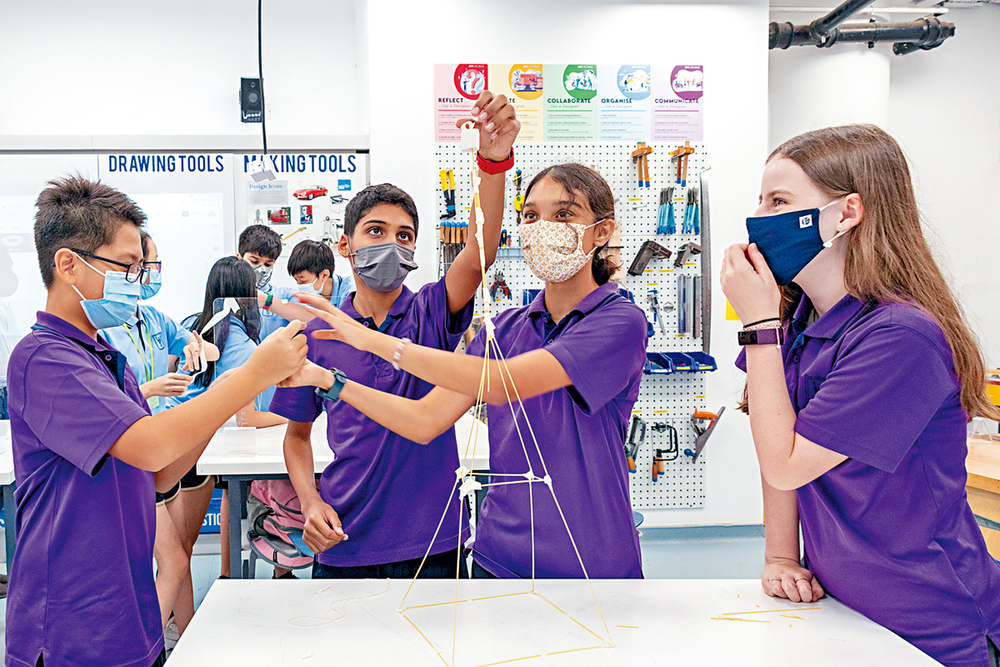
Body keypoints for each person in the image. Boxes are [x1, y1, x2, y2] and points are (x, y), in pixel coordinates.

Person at [719, 124, 1000, 667]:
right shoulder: (799, 320)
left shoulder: (900, 337)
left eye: (779, 202)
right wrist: (781, 555)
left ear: (847, 212)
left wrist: (756, 325)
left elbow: (785, 463)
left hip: (931, 617)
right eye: (760, 200)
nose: (758, 219)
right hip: (843, 606)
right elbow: (775, 438)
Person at [282, 162, 647, 579]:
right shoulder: (503, 329)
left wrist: (372, 341)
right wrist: (330, 381)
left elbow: (502, 383)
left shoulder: (621, 321)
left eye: (563, 214)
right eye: (530, 215)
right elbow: (423, 421)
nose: (544, 228)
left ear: (602, 232)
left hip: (591, 566)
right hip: (496, 559)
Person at [6, 175, 306, 667]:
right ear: (68, 264)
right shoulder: (44, 357)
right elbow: (148, 444)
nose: (138, 280)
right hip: (68, 623)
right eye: (127, 266)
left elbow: (159, 473)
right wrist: (251, 376)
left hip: (125, 609)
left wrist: (229, 390)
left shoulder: (105, 357)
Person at [268, 91, 519, 580]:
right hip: (346, 538)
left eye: (404, 236)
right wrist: (310, 502)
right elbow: (296, 437)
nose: (391, 243)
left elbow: (479, 252)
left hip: (435, 541)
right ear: (345, 245)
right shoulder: (315, 334)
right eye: (375, 231)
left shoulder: (431, 310)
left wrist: (492, 163)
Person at [101, 231, 220, 644]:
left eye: (149, 264)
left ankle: (186, 640)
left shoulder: (153, 319)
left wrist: (196, 348)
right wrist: (150, 388)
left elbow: (206, 350)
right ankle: (143, 647)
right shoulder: (103, 329)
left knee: (179, 556)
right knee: (172, 561)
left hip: (163, 449)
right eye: (140, 264)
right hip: (133, 452)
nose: (148, 273)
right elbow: (105, 399)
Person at [166, 256, 292, 579]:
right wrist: (287, 417)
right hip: (195, 445)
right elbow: (246, 419)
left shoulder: (191, 325)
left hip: (173, 435)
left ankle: (223, 579)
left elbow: (171, 376)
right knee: (177, 556)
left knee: (177, 552)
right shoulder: (241, 345)